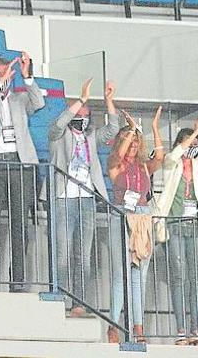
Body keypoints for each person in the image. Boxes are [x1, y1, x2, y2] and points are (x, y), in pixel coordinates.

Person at [0, 53, 44, 293]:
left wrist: (27, 76)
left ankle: (18, 281)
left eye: (4, 74)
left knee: (19, 224)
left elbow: (39, 103)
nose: (1, 78)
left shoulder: (20, 99)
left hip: (19, 163)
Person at [47, 78, 119, 315]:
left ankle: (79, 302)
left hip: (87, 198)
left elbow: (112, 130)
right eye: (80, 113)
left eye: (86, 114)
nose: (83, 118)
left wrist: (109, 102)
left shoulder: (90, 137)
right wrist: (80, 100)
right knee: (63, 253)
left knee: (83, 256)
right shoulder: (58, 136)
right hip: (63, 198)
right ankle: (58, 296)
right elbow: (59, 124)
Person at [106, 108, 164, 343]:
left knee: (140, 275)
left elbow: (159, 157)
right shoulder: (115, 163)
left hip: (143, 217)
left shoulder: (143, 166)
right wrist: (131, 129)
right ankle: (113, 325)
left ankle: (138, 327)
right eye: (130, 140)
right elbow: (118, 156)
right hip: (122, 216)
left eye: (135, 141)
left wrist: (154, 129)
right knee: (121, 275)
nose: (133, 144)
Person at [153, 115, 198, 346]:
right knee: (179, 278)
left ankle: (197, 328)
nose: (192, 148)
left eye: (195, 144)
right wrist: (193, 134)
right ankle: (181, 330)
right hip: (174, 224)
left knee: (197, 279)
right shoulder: (171, 162)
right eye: (188, 143)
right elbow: (174, 154)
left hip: (196, 225)